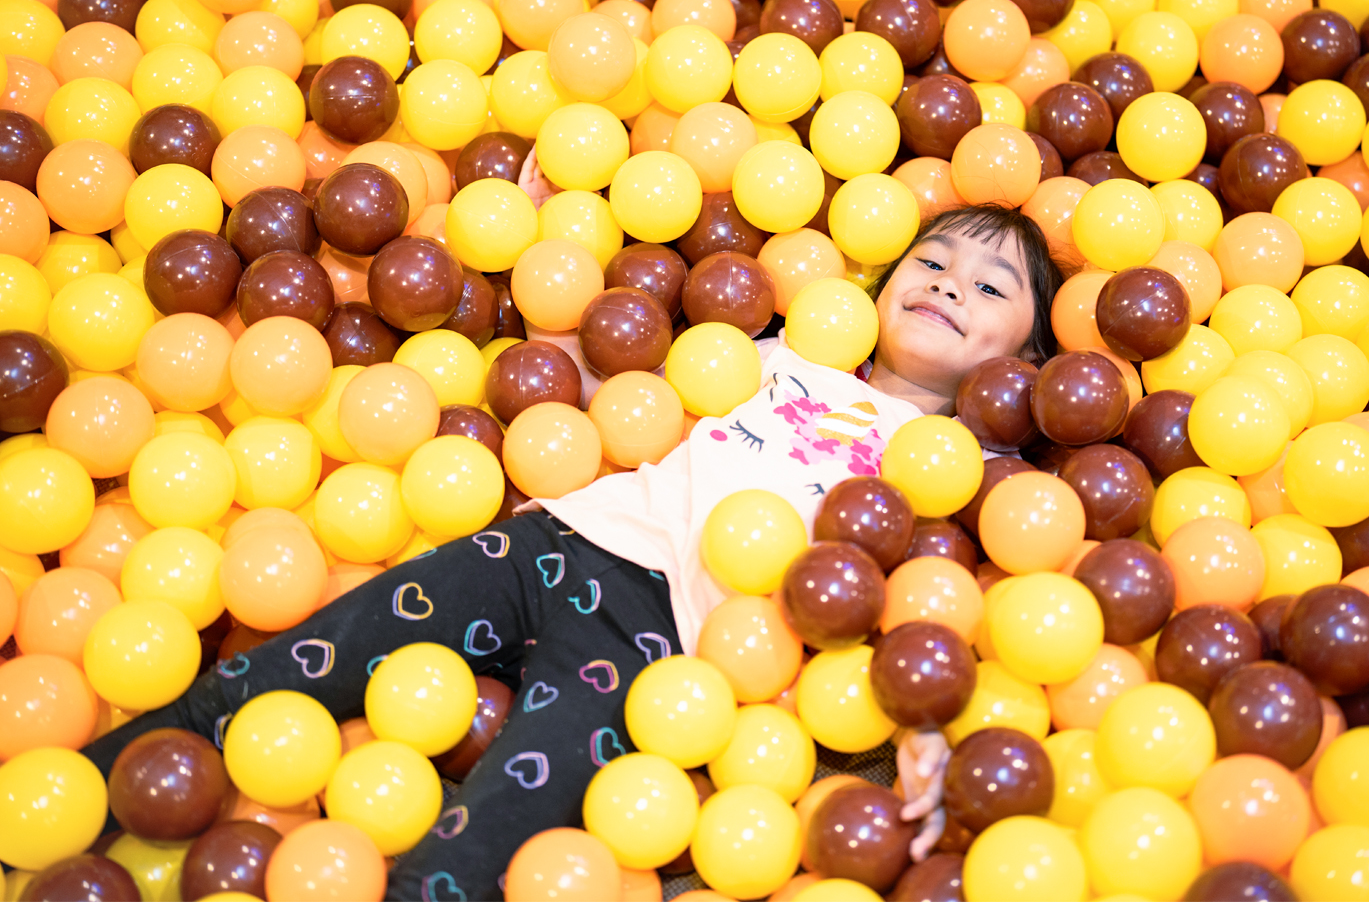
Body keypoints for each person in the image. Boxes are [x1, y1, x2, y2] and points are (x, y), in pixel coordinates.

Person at [82, 204, 1069, 901]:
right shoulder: (787, 352)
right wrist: (537, 232)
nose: (949, 283)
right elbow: (626, 364)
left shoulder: (961, 473)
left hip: (650, 648)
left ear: (1024, 360)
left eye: (989, 285)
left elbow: (923, 615)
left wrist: (922, 732)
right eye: (932, 261)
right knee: (295, 663)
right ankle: (89, 788)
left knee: (481, 846)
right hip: (556, 544)